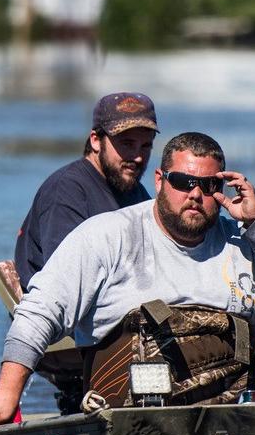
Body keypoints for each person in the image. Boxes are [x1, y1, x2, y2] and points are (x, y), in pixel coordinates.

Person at [0, 131, 255, 432]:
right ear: (160, 180)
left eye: (210, 186)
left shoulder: (241, 240)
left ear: (223, 189)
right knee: (150, 380)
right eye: (183, 181)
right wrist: (7, 391)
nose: (195, 194)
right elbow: (41, 310)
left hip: (238, 394)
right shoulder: (108, 235)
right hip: (141, 399)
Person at [13, 92, 158, 291]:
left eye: (145, 146)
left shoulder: (134, 190)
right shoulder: (66, 190)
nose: (138, 157)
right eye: (127, 144)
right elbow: (67, 278)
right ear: (96, 140)